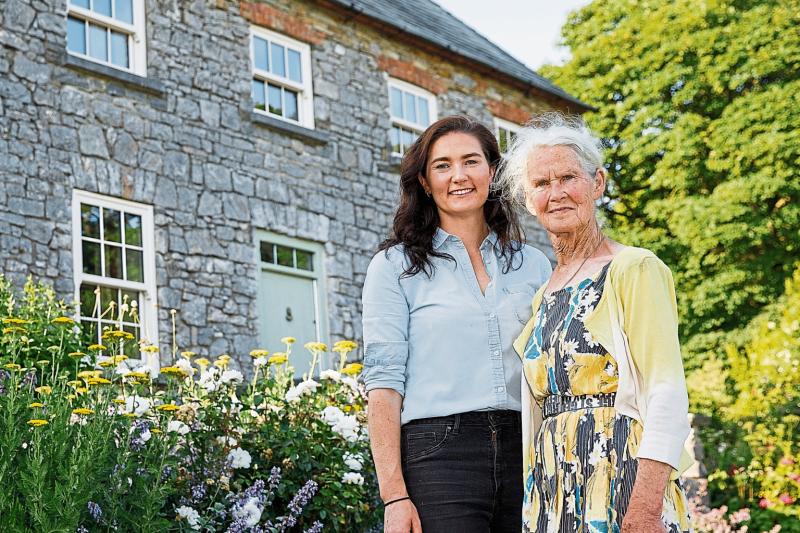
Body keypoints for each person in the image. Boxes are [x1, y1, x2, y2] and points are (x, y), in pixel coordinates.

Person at [498, 114, 694, 533]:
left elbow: (667, 391)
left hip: (623, 478)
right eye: (541, 184)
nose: (557, 193)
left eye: (569, 177)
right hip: (552, 488)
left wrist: (644, 508)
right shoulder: (545, 291)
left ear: (597, 183)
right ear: (528, 200)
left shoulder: (634, 268)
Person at [361, 116, 552, 533]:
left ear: (492, 172)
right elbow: (384, 384)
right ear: (425, 182)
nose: (459, 175)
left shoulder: (533, 265)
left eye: (471, 161)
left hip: (528, 450)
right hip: (439, 454)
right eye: (443, 165)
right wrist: (394, 495)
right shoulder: (395, 268)